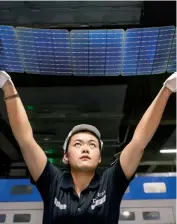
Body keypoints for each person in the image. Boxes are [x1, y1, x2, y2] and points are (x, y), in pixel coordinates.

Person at [0, 70, 176, 224]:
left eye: (92, 145)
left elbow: (139, 141)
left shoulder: (111, 182)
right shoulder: (52, 182)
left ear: (99, 157)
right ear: (66, 156)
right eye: (77, 144)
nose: (85, 149)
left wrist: (166, 90)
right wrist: (8, 86)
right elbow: (26, 140)